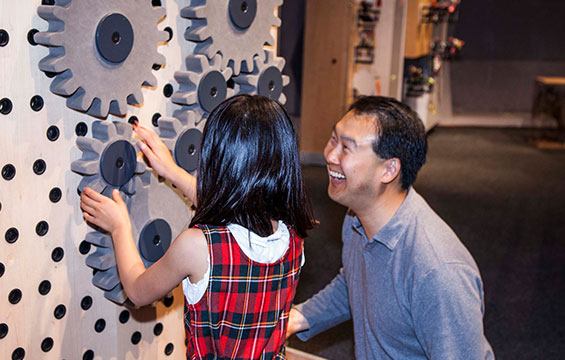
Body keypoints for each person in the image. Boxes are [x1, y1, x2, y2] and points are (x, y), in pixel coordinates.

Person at [80, 94, 315, 359]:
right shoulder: (293, 233)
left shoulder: (198, 245)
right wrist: (171, 171)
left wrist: (119, 227)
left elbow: (137, 290)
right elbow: (236, 210)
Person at [287, 96, 494, 359]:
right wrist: (298, 318)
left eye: (347, 148)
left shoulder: (438, 272)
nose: (329, 155)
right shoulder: (357, 219)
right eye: (333, 139)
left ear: (389, 169)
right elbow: (356, 281)